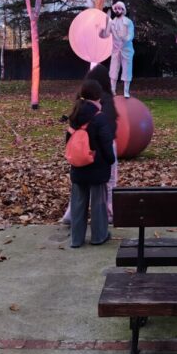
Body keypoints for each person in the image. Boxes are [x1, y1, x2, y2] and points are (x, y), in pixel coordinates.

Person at [62, 65, 118, 224]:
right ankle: (107, 214)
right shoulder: (105, 100)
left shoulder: (79, 103)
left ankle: (71, 214)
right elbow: (108, 128)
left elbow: (70, 131)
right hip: (100, 149)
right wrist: (110, 157)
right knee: (107, 184)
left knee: (80, 186)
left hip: (80, 149)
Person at [66, 79, 116, 248]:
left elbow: (68, 140)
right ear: (98, 96)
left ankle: (76, 239)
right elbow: (107, 144)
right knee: (98, 204)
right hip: (97, 167)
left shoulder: (74, 115)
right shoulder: (99, 117)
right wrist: (110, 161)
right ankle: (99, 236)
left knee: (78, 204)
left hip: (78, 167)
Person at [101, 1, 135, 98]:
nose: (117, 10)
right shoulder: (112, 23)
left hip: (126, 50)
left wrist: (125, 38)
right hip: (116, 50)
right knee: (113, 69)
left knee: (127, 70)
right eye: (116, 9)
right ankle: (112, 90)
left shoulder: (128, 22)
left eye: (119, 8)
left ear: (123, 10)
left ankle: (126, 91)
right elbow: (106, 34)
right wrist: (103, 28)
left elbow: (131, 35)